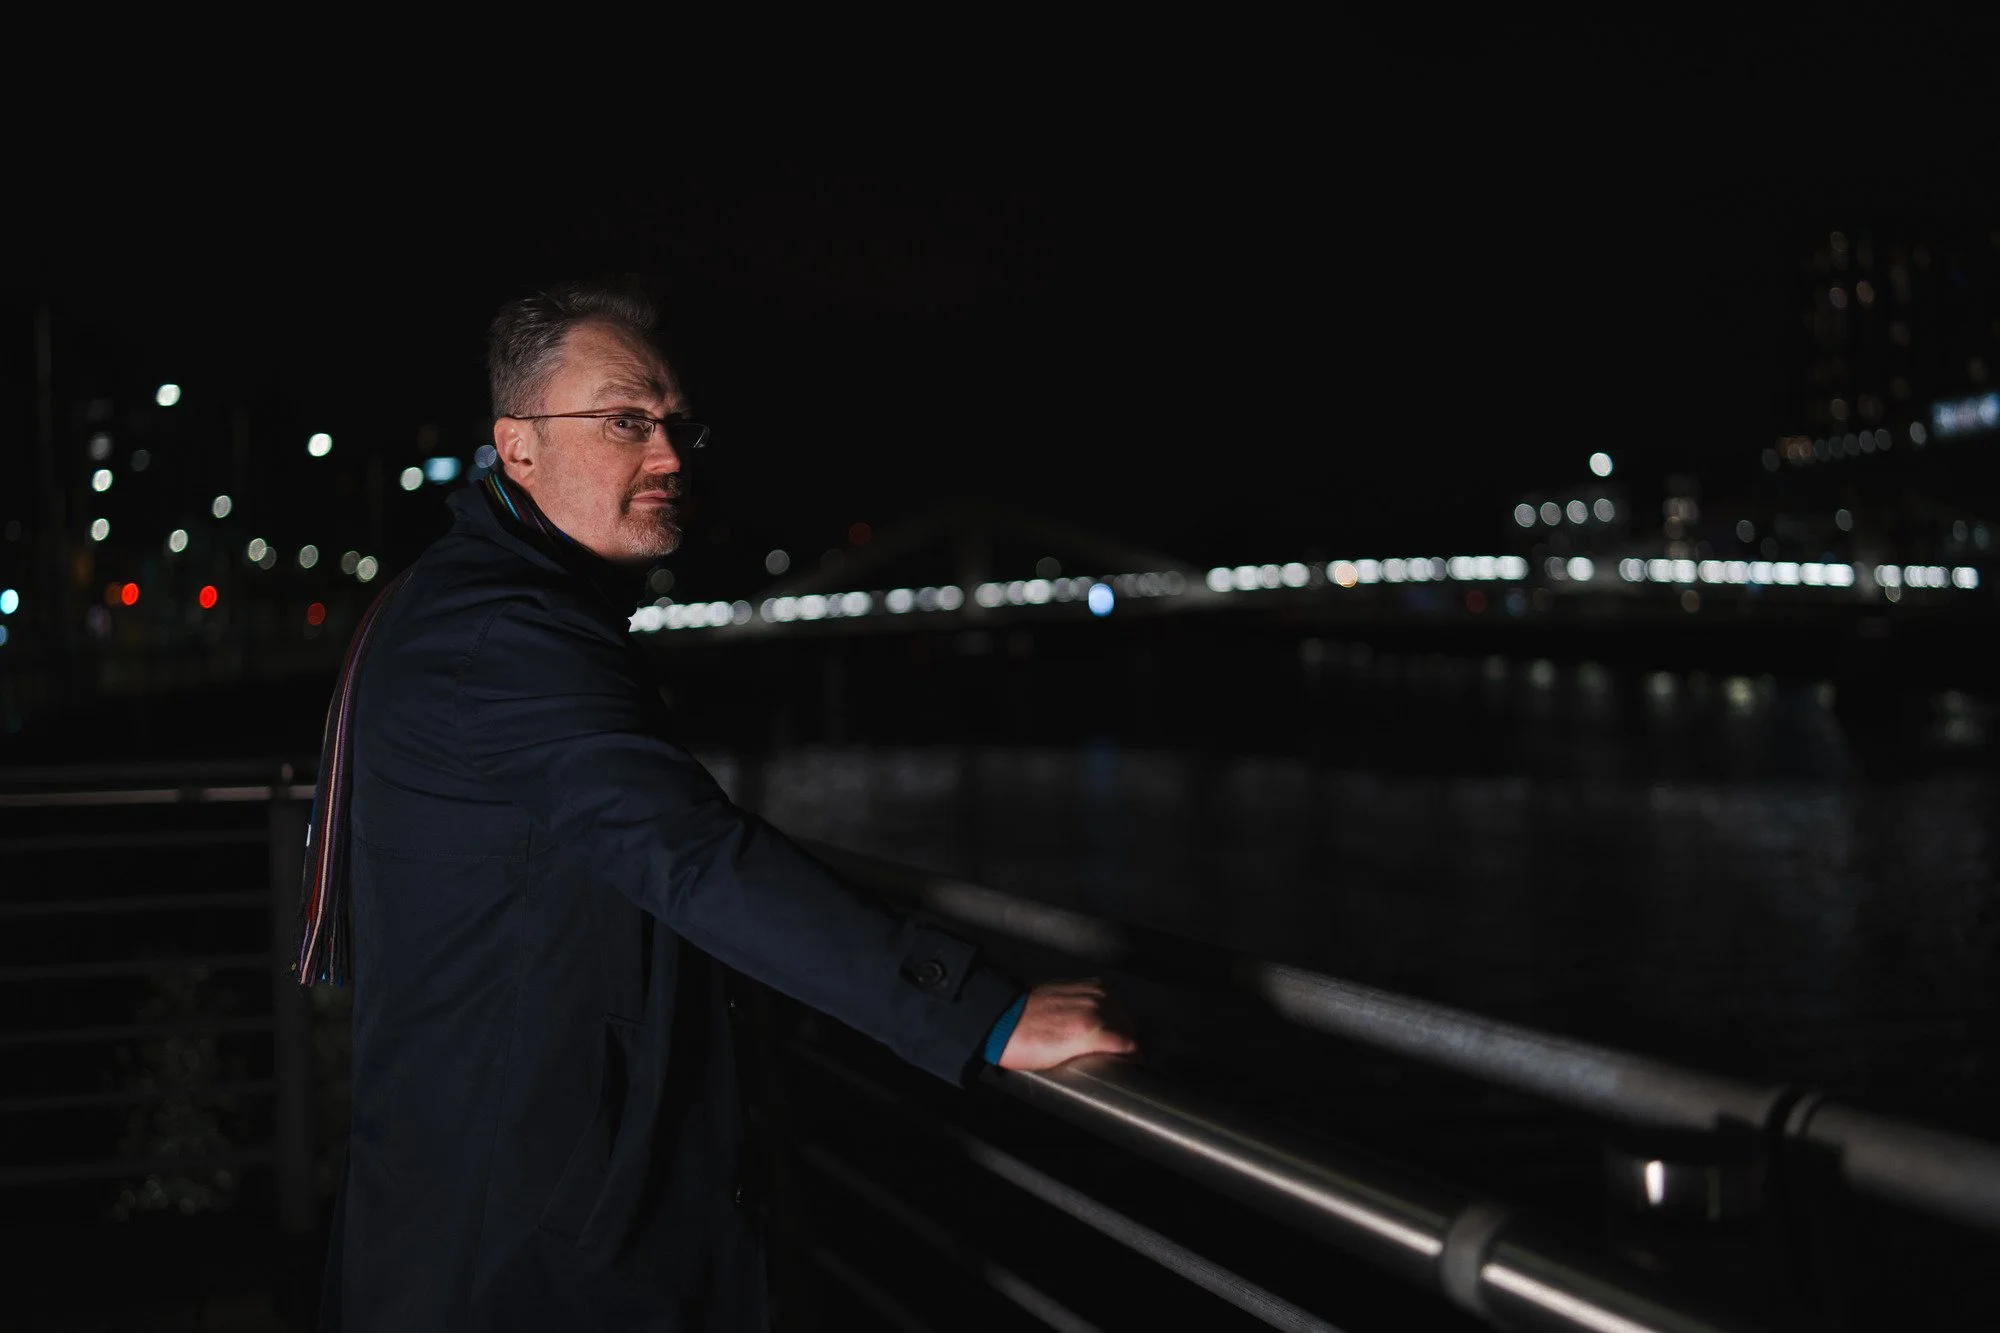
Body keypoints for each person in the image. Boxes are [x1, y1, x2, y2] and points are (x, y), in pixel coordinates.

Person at [303, 278, 1134, 1331]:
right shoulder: (501, 634)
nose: (668, 456)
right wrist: (977, 1011)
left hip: (496, 1192)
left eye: (677, 426)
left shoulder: (484, 601)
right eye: (624, 421)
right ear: (516, 446)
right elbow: (684, 854)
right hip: (522, 1243)